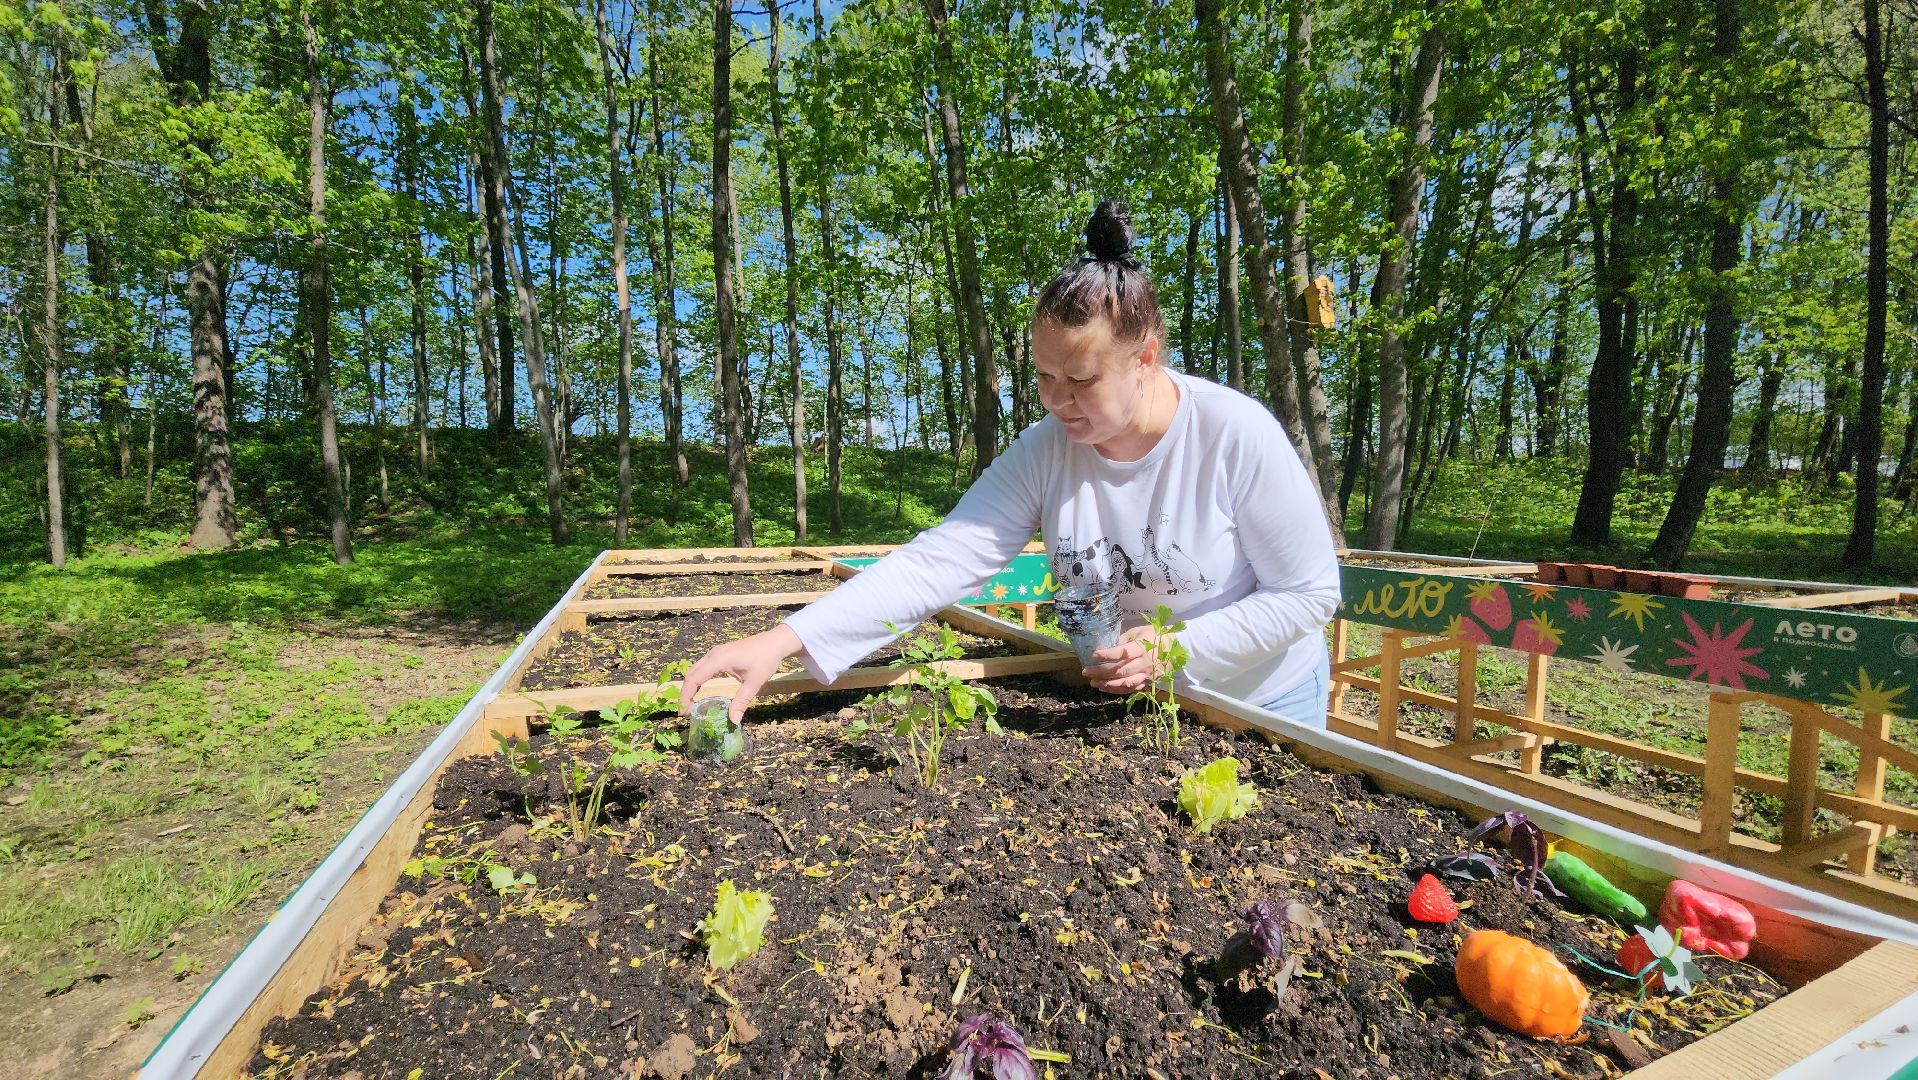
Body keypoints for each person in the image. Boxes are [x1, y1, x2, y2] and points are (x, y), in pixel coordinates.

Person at [681, 201, 1341, 728]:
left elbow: (1311, 594)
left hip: (1263, 706)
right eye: (1044, 377)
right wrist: (782, 640)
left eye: (1079, 379)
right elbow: (940, 560)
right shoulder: (1047, 448)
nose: (1056, 401)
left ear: (1144, 357)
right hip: (1132, 712)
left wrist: (1176, 649)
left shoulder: (1233, 435)